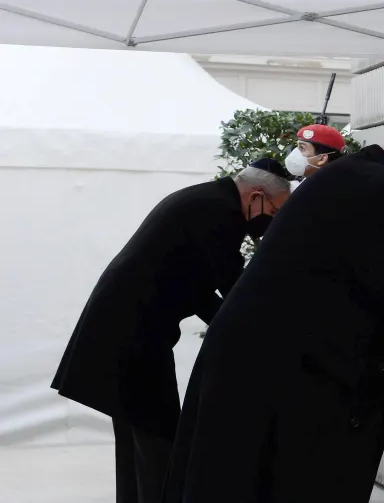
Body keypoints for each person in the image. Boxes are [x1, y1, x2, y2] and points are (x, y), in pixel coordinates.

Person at [161, 116, 384, 503]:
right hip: (277, 382)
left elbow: (366, 296)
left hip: (264, 372)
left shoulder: (352, 180)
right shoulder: (379, 188)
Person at [50, 158, 293, 503]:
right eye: (275, 211)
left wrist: (236, 329)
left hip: (122, 329)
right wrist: (264, 336)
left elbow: (199, 289)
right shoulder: (221, 213)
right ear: (256, 196)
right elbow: (234, 288)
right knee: (159, 442)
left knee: (138, 441)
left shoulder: (207, 199)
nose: (270, 224)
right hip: (134, 337)